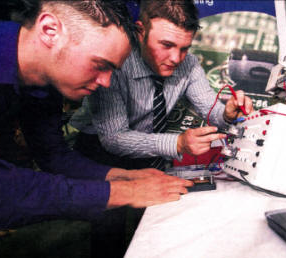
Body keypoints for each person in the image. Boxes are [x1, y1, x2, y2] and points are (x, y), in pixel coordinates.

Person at [0, 0, 193, 231]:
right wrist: (123, 192)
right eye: (101, 65)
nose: (107, 82)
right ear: (50, 30)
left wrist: (123, 176)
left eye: (113, 70)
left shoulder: (48, 79)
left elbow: (53, 156)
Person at [72, 0, 254, 170]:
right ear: (140, 32)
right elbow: (114, 138)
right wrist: (178, 143)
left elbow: (210, 108)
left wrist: (226, 115)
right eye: (166, 45)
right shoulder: (115, 64)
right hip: (97, 157)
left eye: (184, 48)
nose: (176, 58)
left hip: (151, 158)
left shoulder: (188, 64)